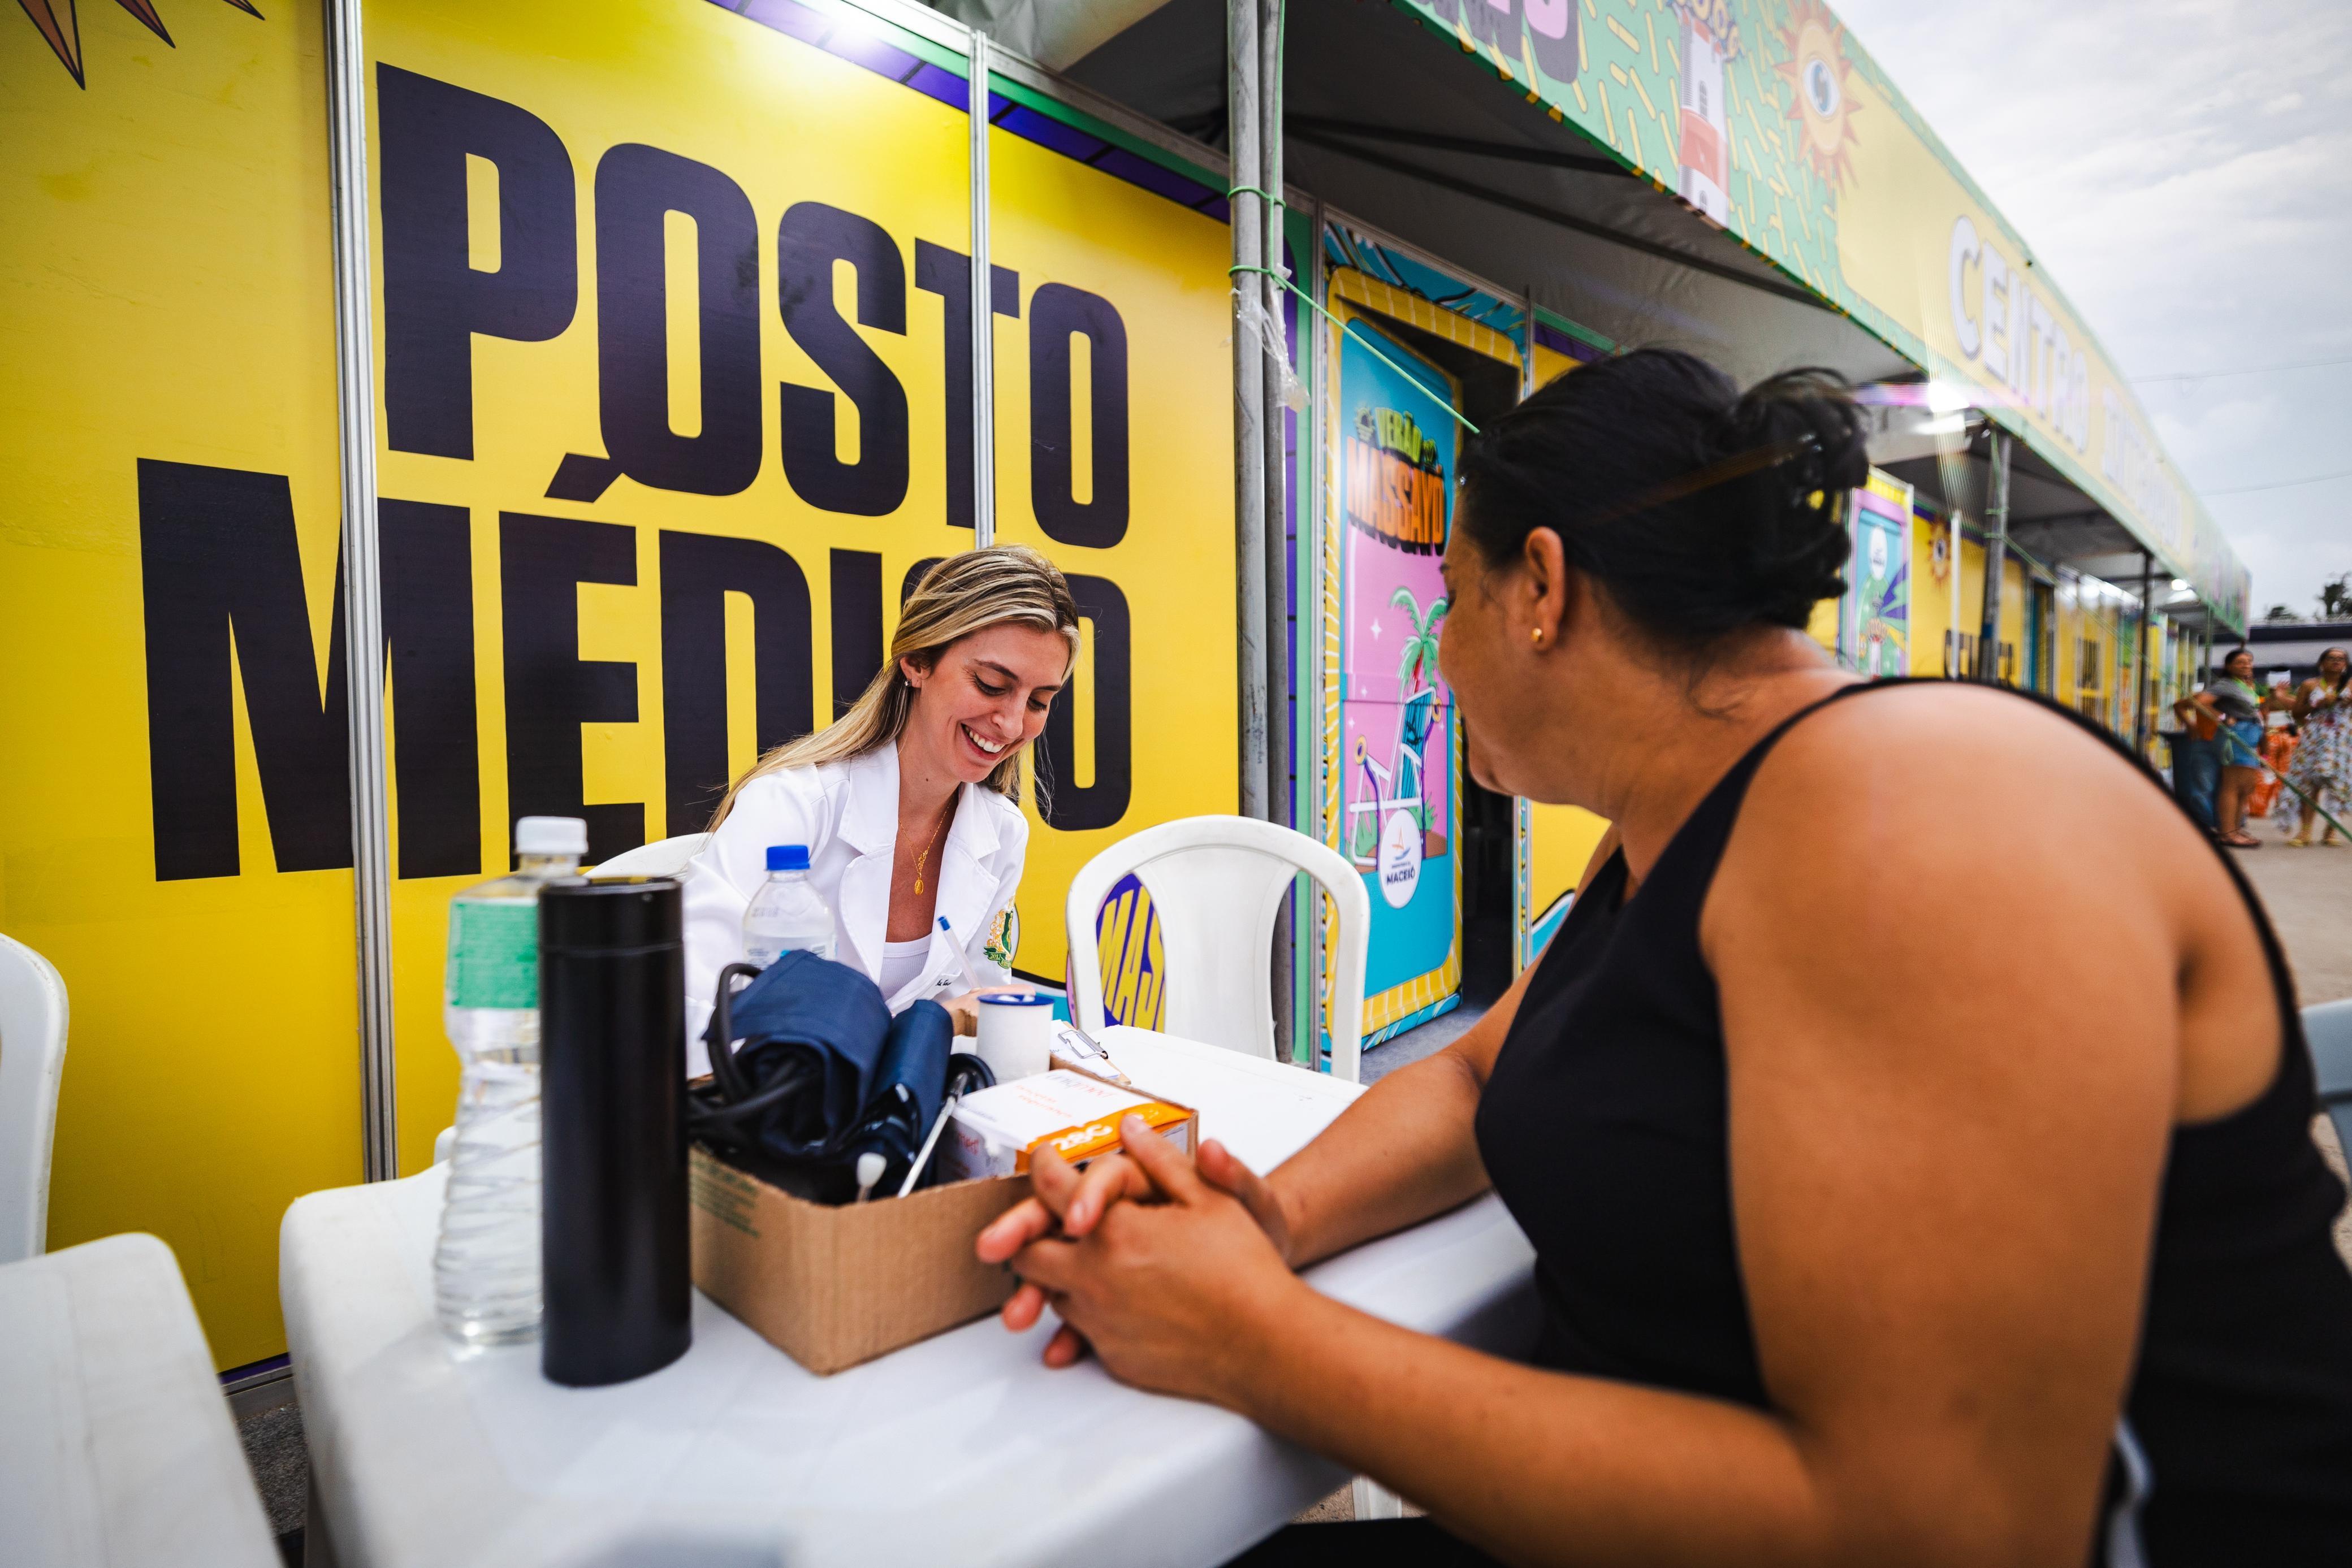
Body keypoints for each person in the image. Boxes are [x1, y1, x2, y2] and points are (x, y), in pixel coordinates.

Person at [977, 351, 2352, 1566]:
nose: (1437, 660)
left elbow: (1945, 1528)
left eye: (1446, 599)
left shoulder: (1912, 811)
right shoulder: (1679, 823)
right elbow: (1471, 1081)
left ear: (1541, 588)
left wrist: (1255, 1344)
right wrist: (1261, 1224)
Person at [677, 545, 1076, 1075]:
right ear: (916, 661)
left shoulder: (1002, 834)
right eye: (991, 685)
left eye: (1038, 701)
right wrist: (933, 1028)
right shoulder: (791, 806)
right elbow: (687, 1013)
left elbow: (977, 1012)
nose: (1010, 723)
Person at [2182, 648, 2271, 847]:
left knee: (2246, 787)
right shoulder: (2226, 684)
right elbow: (2201, 702)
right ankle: (2227, 832)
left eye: (2249, 661)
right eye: (2240, 662)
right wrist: (2222, 717)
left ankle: (2236, 829)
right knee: (2233, 786)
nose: (2246, 665)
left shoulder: (2246, 686)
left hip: (2250, 736)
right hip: (2237, 736)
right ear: (2229, 666)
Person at [2287, 646, 2352, 848]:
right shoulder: (2309, 685)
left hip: (2343, 739)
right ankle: (2305, 831)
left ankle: (2330, 832)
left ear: (2346, 665)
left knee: (2339, 784)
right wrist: (2319, 704)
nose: (2336, 661)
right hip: (2316, 739)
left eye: (2341, 659)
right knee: (2311, 784)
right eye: (2331, 658)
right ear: (2321, 663)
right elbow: (2297, 715)